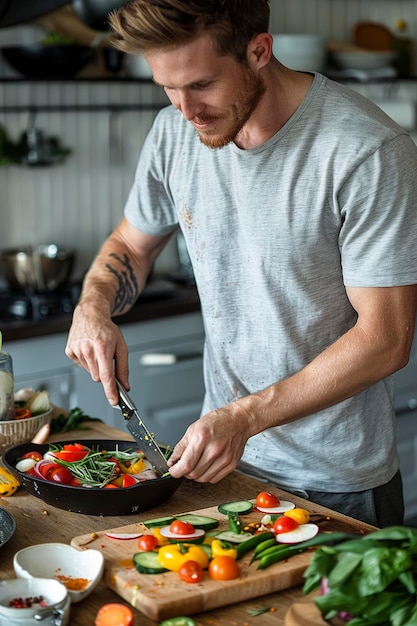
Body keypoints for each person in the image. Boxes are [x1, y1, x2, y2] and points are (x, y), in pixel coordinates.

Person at [65, 0, 417, 527]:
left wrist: (244, 416)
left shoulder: (366, 151)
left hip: (336, 485)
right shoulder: (173, 133)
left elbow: (386, 339)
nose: (186, 110)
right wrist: (93, 308)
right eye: (167, 87)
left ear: (259, 51)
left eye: (202, 85)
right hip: (229, 471)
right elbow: (132, 246)